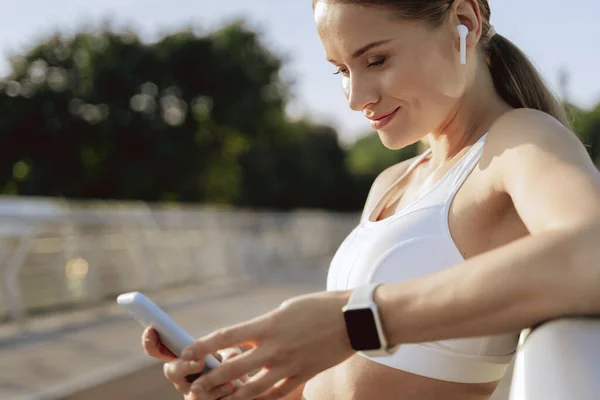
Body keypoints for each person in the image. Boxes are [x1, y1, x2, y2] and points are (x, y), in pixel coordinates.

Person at [142, 0, 600, 399]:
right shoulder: (392, 182)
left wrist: (352, 321)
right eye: (342, 70)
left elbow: (592, 251)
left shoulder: (518, 141)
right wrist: (257, 384)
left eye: (376, 60)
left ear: (465, 21)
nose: (355, 98)